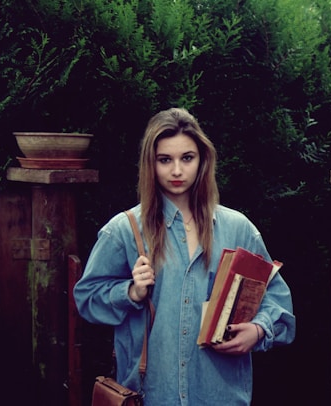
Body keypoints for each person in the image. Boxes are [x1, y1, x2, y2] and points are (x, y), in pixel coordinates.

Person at [74, 107, 295, 405]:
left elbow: (278, 301)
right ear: (150, 164)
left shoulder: (238, 229)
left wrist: (258, 330)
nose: (177, 171)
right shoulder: (124, 231)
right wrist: (130, 291)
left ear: (202, 160)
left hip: (220, 395)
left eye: (186, 158)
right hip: (151, 394)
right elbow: (86, 299)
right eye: (165, 160)